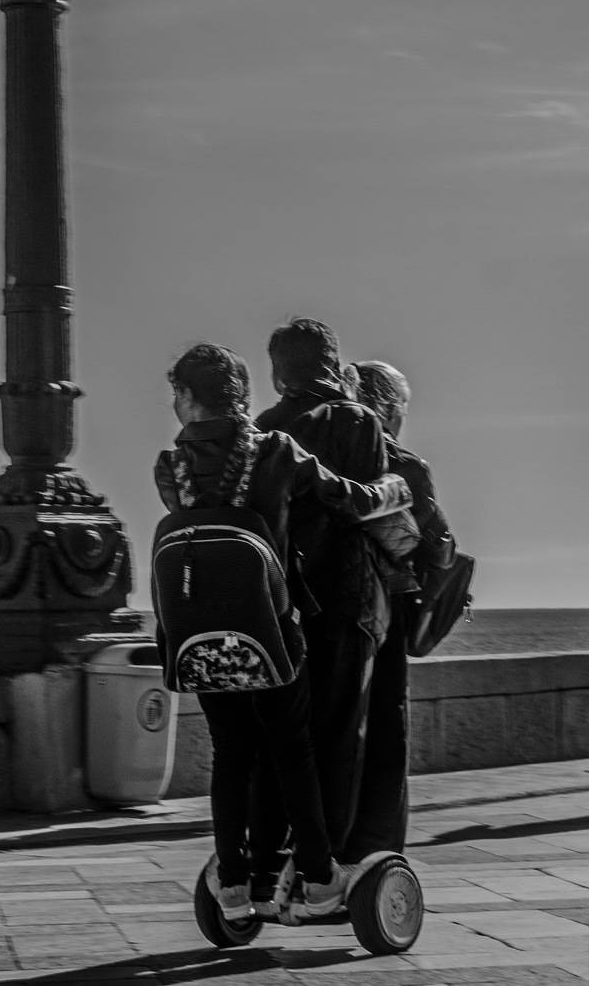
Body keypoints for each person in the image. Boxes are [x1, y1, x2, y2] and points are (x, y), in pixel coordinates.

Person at [153, 342, 412, 921]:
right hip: (271, 635)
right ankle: (319, 880)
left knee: (231, 754)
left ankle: (235, 886)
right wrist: (394, 491)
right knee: (292, 750)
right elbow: (347, 499)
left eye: (178, 394)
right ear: (244, 394)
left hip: (201, 639)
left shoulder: (169, 467)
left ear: (188, 399)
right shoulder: (276, 452)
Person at [254, 317, 397, 864]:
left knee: (283, 736)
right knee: (339, 737)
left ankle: (271, 849)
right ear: (332, 364)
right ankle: (325, 862)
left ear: (279, 372)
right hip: (345, 600)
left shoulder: (264, 428)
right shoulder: (358, 421)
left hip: (280, 603)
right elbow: (373, 513)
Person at [346, 359, 457, 856]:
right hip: (385, 612)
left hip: (316, 610)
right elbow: (436, 544)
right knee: (386, 736)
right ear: (390, 410)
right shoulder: (404, 465)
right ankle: (377, 850)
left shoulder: (316, 449)